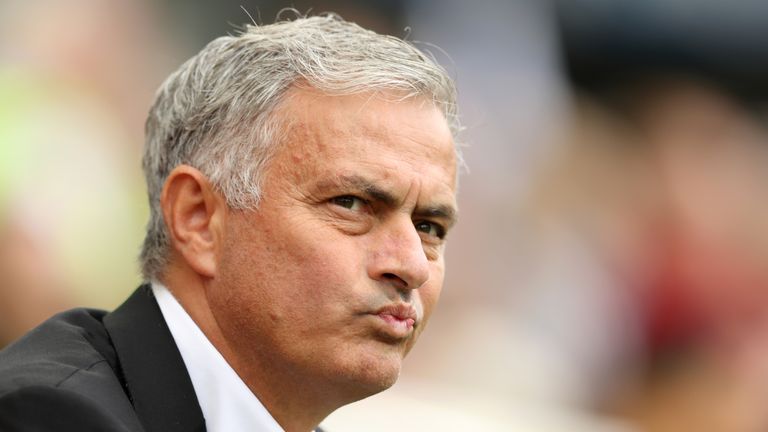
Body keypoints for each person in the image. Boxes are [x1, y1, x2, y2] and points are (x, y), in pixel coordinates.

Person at [0, 13, 460, 432]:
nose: (412, 266)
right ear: (198, 219)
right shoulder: (51, 417)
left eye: (429, 227)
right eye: (352, 203)